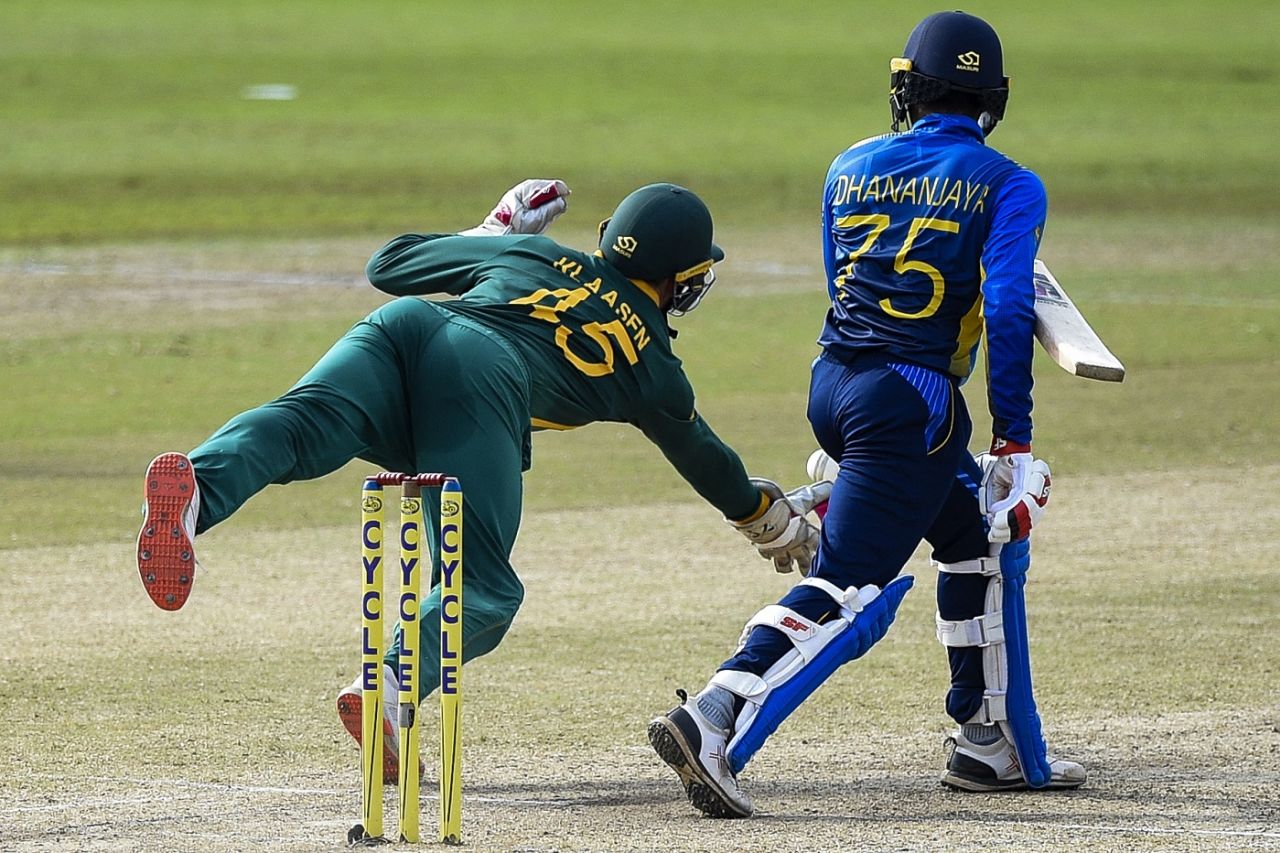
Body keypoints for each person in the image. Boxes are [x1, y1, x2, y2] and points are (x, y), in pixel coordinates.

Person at [135, 179, 827, 781]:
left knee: (300, 426)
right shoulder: (653, 366)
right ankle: (388, 688)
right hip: (481, 382)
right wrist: (763, 516)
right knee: (484, 591)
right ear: (680, 280)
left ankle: (198, 490)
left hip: (407, 326)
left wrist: (494, 231)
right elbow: (704, 457)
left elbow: (389, 264)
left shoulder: (537, 254)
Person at [648, 11, 1086, 818]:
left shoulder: (848, 165)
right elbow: (1009, 308)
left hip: (834, 383)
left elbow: (842, 280)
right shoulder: (1010, 184)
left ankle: (988, 739)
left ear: (908, 88)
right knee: (850, 586)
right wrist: (1014, 439)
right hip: (911, 402)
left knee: (976, 535)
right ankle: (714, 714)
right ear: (992, 99)